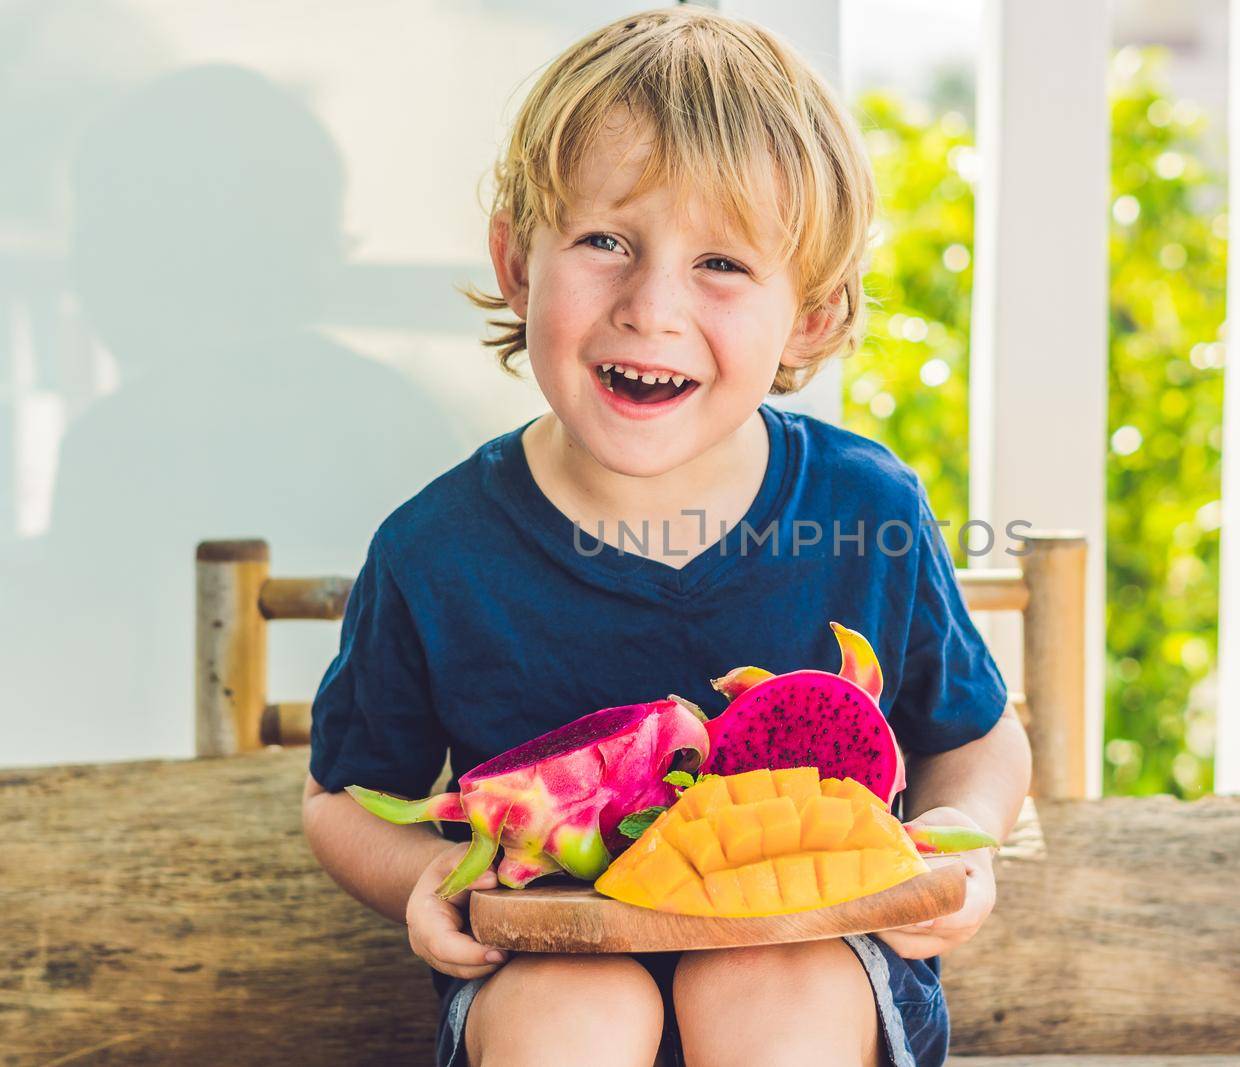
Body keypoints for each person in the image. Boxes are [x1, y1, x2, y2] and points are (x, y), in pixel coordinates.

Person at [301, 8, 1031, 1066]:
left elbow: (975, 737)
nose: (651, 307)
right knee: (573, 1015)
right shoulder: (434, 548)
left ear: (814, 317)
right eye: (606, 241)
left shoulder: (866, 511)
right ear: (517, 259)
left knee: (771, 994)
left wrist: (957, 846)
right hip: (550, 944)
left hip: (804, 932)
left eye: (721, 264)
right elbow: (339, 797)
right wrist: (419, 871)